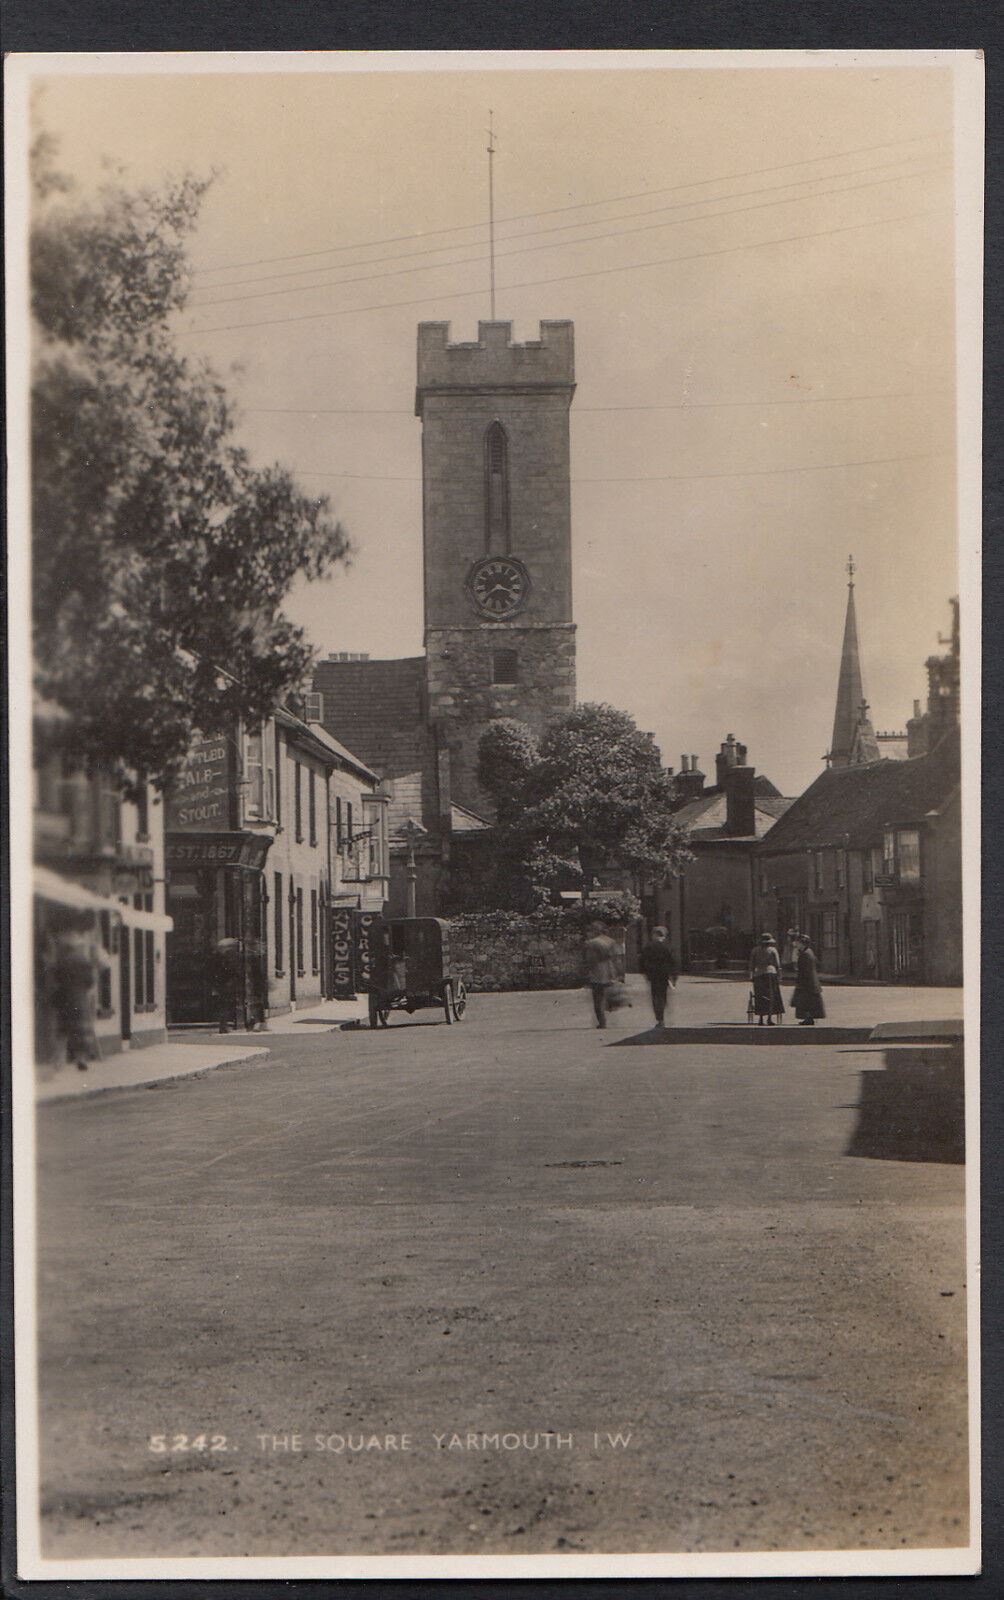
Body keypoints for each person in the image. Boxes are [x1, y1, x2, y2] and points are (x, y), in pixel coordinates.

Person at [582, 920, 621, 1029]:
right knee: (607, 994)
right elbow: (616, 958)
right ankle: (608, 1012)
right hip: (610, 970)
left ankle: (602, 1021)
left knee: (597, 997)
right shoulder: (611, 941)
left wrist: (587, 971)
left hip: (597, 972)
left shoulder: (591, 943)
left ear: (595, 931)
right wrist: (618, 972)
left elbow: (590, 960)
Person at [638, 925, 678, 1028]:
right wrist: (674, 977)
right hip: (664, 975)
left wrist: (645, 973)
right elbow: (673, 962)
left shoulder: (649, 947)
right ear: (664, 935)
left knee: (655, 996)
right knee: (663, 995)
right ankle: (662, 1015)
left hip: (653, 975)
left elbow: (642, 961)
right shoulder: (668, 947)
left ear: (654, 935)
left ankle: (660, 1019)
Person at [749, 932, 784, 1026]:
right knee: (771, 995)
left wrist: (751, 976)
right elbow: (777, 964)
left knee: (760, 996)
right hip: (770, 973)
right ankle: (769, 1018)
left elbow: (751, 965)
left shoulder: (754, 950)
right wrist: (780, 976)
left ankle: (760, 1019)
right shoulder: (773, 950)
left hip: (758, 974)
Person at [791, 934, 826, 1026]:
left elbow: (805, 969)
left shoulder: (806, 953)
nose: (796, 944)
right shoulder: (807, 952)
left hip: (807, 981)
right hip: (809, 981)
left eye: (798, 943)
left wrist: (801, 981)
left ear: (803, 944)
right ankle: (808, 1018)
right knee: (808, 1001)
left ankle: (808, 1018)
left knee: (806, 1001)